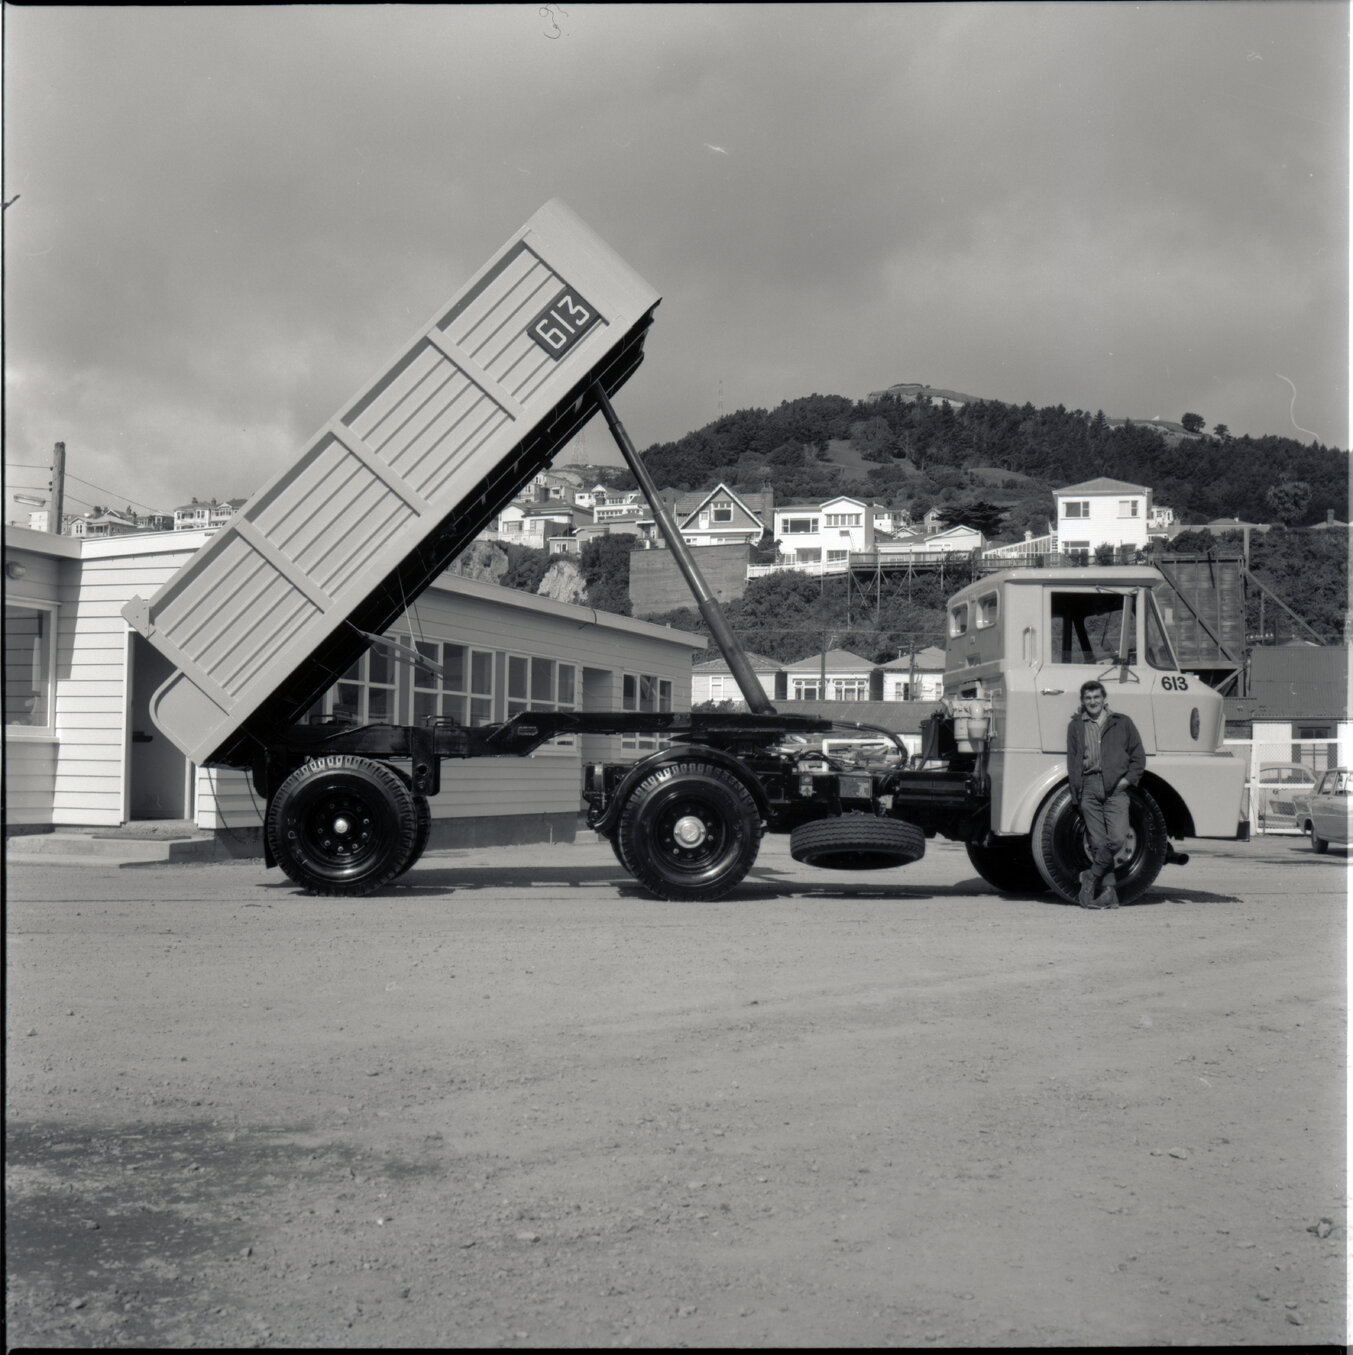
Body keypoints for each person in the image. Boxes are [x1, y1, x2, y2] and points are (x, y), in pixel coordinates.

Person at [1066, 680, 1146, 909]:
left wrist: (1127, 781)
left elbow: (1138, 756)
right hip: (1088, 787)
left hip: (1115, 788)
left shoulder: (1122, 723)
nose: (1092, 702)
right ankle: (1109, 892)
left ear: (1104, 699)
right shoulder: (1075, 726)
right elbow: (1072, 762)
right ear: (1083, 701)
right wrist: (1076, 794)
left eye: (1096, 697)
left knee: (1118, 838)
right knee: (1098, 842)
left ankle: (1090, 876)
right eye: (1088, 698)